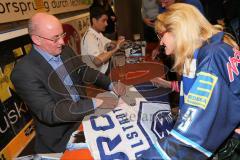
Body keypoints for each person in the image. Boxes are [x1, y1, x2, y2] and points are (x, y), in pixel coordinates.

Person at [11, 12, 125, 153]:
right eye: (55, 38)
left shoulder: (64, 51)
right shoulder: (24, 72)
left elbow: (83, 71)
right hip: (62, 137)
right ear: (36, 39)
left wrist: (110, 84)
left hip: (85, 117)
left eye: (62, 35)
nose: (62, 42)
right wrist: (97, 103)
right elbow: (51, 112)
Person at [142, 3, 240, 159]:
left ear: (177, 30)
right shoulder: (207, 50)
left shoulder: (210, 57)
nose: (160, 42)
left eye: (161, 35)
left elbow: (191, 138)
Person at [81, 6, 124, 75]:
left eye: (106, 21)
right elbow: (97, 61)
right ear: (94, 21)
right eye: (103, 20)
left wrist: (119, 41)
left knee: (126, 63)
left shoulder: (98, 33)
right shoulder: (89, 38)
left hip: (106, 67)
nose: (106, 24)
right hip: (98, 75)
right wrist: (116, 47)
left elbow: (112, 43)